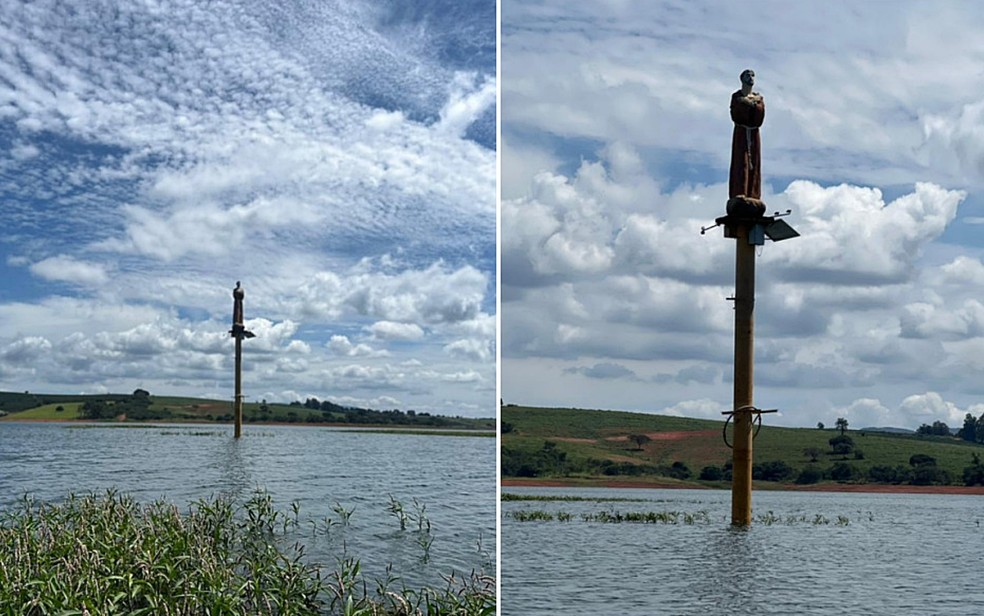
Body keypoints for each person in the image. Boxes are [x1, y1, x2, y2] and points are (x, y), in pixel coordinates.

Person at [729, 69, 765, 200]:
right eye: (748, 75)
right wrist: (747, 103)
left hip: (754, 133)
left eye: (752, 75)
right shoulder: (736, 97)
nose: (751, 78)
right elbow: (736, 114)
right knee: (741, 162)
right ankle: (740, 191)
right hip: (741, 133)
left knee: (754, 163)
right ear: (742, 78)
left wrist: (753, 104)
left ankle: (753, 193)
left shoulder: (759, 98)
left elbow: (759, 117)